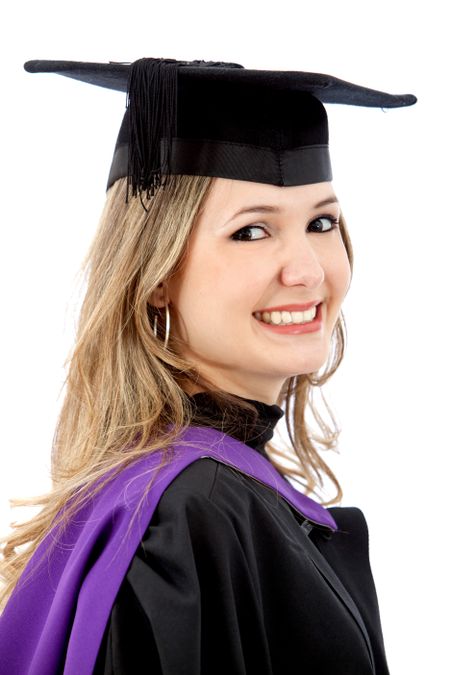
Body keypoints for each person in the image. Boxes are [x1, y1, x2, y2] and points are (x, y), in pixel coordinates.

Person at [0, 57, 416, 674]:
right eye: (251, 232)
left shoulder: (167, 489)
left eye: (321, 222)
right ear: (157, 274)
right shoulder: (193, 515)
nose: (306, 270)